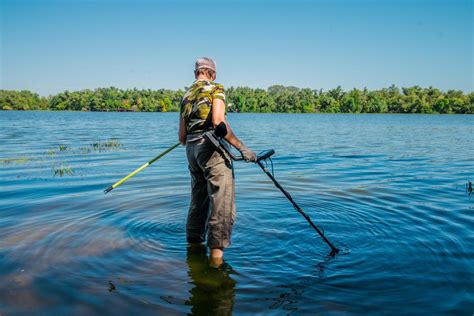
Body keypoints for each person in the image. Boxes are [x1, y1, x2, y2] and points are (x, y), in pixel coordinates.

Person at [179, 57, 256, 268]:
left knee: (198, 200)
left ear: (197, 73)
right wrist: (242, 148)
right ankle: (216, 262)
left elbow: (181, 137)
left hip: (191, 150)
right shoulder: (216, 88)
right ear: (212, 73)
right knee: (222, 203)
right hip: (209, 148)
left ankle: (194, 248)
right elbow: (218, 121)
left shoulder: (186, 96)